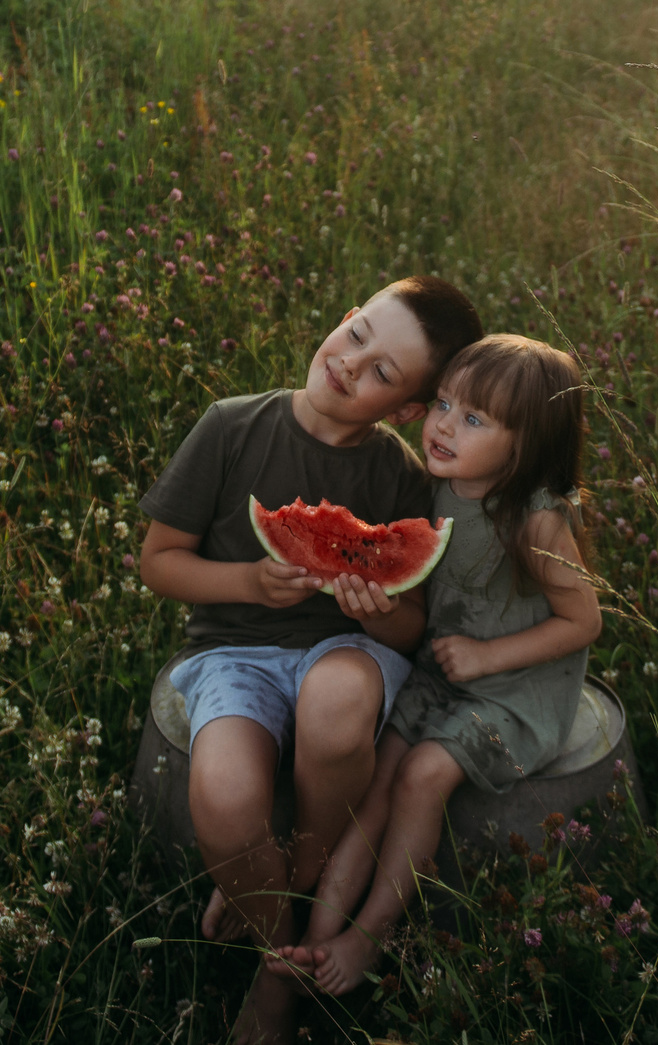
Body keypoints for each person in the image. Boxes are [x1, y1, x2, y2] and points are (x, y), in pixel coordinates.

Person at [136, 276, 482, 1044]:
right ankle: (279, 942)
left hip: (348, 650)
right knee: (224, 801)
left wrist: (380, 607)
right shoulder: (230, 427)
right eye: (358, 333)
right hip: (229, 652)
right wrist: (250, 581)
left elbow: (411, 631)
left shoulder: (401, 478)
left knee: (336, 702)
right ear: (345, 316)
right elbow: (158, 561)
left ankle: (301, 883)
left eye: (385, 373)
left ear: (404, 411)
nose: (352, 363)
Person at [289, 333, 600, 995]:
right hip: (442, 673)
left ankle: (369, 933)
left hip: (516, 691)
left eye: (474, 418)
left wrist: (490, 653)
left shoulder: (537, 521)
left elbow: (584, 621)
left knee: (422, 776)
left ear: (524, 445)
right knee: (377, 786)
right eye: (442, 403)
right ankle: (314, 939)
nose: (443, 425)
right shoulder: (441, 490)